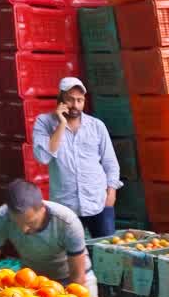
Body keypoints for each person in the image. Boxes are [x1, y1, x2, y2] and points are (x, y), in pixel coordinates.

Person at [0, 179, 97, 297]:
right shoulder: (1, 217)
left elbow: (78, 278)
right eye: (17, 223)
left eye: (30, 222)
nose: (23, 229)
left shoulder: (66, 221)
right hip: (32, 282)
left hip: (73, 278)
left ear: (42, 208)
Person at [32, 76, 121, 238]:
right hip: (65, 206)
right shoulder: (43, 123)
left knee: (106, 253)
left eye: (80, 100)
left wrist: (111, 193)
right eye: (70, 100)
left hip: (98, 201)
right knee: (70, 256)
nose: (75, 105)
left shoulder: (96, 126)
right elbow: (43, 158)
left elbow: (110, 163)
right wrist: (61, 125)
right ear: (60, 99)